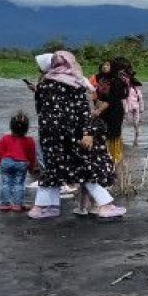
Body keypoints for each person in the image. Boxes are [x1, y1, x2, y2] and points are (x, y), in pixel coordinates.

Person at [29, 51, 126, 220]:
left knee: (53, 170)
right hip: (74, 135)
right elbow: (83, 112)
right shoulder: (75, 85)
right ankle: (105, 205)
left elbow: (40, 111)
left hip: (50, 136)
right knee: (86, 168)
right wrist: (88, 133)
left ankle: (44, 208)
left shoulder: (44, 86)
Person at [0, 111, 40, 212]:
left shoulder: (5, 138)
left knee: (6, 183)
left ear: (11, 127)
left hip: (6, 162)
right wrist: (32, 168)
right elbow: (32, 156)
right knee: (19, 184)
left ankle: (5, 204)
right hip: (21, 163)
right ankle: (17, 204)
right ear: (26, 128)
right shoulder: (29, 141)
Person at [92, 57, 131, 164]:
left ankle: (115, 158)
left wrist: (98, 111)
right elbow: (99, 95)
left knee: (113, 134)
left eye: (108, 65)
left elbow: (111, 99)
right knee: (102, 133)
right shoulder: (103, 79)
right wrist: (98, 105)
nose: (105, 67)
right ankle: (106, 157)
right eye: (104, 65)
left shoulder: (117, 81)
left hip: (114, 110)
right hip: (106, 109)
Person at [124, 67, 145, 147]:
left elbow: (140, 99)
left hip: (136, 107)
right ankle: (123, 134)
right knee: (125, 119)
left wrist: (142, 108)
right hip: (128, 107)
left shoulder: (136, 90)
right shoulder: (125, 89)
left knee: (136, 121)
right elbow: (124, 99)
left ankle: (136, 134)